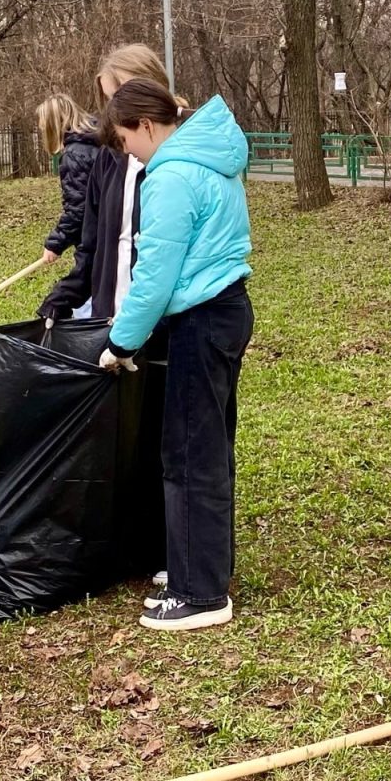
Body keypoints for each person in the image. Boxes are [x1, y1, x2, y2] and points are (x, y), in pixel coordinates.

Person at [97, 78, 253, 632]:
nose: (127, 152)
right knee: (209, 447)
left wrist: (121, 342)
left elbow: (156, 273)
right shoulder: (211, 158)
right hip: (228, 310)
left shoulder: (170, 177)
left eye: (125, 139)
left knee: (189, 455)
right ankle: (200, 565)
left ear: (146, 125)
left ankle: (201, 594)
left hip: (200, 320)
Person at [39, 43, 174, 322]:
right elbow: (93, 242)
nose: (115, 110)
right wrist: (65, 296)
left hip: (165, 326)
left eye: (121, 95)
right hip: (111, 318)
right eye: (111, 99)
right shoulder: (108, 159)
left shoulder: (180, 162)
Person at [36, 92, 100, 274]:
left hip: (96, 239)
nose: (41, 128)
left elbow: (78, 208)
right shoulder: (93, 143)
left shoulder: (75, 155)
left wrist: (55, 244)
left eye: (43, 125)